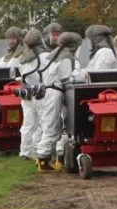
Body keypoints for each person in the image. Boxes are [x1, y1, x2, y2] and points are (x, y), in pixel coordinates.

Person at [32, 32, 81, 172]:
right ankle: (43, 160)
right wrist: (80, 77)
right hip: (53, 92)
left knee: (48, 125)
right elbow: (65, 78)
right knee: (52, 127)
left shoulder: (52, 53)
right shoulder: (65, 56)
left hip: (45, 91)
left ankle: (41, 159)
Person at [16, 29, 45, 160]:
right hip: (39, 94)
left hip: (26, 94)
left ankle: (25, 152)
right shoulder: (44, 57)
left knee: (27, 124)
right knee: (40, 124)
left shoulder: (22, 58)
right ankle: (36, 150)